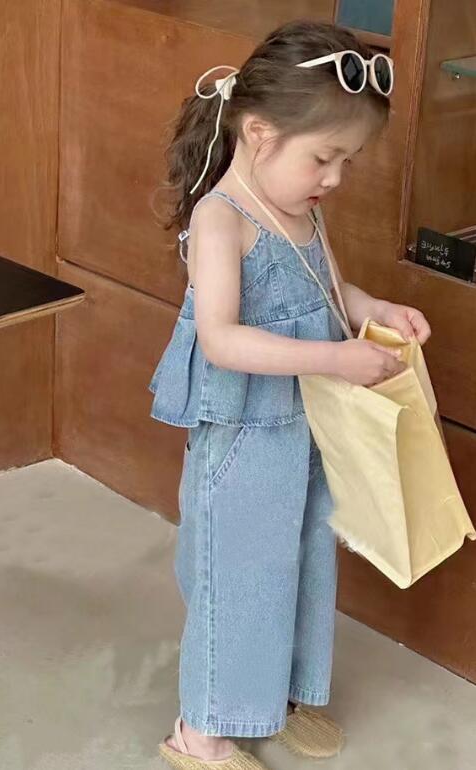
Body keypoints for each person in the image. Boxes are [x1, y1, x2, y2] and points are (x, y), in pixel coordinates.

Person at [148, 19, 431, 770]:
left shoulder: (302, 210)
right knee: (239, 573)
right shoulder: (221, 219)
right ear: (258, 133)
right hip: (245, 433)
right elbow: (222, 338)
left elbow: (326, 289)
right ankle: (201, 731)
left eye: (346, 161)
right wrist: (335, 358)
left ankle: (277, 698)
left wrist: (372, 309)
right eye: (323, 157)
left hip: (304, 425)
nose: (333, 178)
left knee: (303, 560)